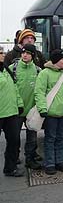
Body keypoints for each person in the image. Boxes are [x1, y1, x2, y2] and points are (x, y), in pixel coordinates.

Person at [35, 49, 63, 175]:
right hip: (51, 113)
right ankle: (49, 163)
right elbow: (39, 92)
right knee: (50, 138)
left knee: (61, 138)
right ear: (56, 61)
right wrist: (42, 108)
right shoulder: (45, 74)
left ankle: (60, 161)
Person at [9, 44, 42, 169]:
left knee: (32, 138)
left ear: (33, 55)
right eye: (23, 53)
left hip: (32, 111)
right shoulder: (12, 69)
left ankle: (30, 159)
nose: (25, 55)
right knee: (14, 137)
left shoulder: (38, 70)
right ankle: (14, 158)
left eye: (28, 53)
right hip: (16, 109)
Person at [0, 46, 25, 177]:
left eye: (2, 52)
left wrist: (19, 104)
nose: (3, 54)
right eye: (0, 53)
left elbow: (15, 88)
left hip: (11, 112)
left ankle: (10, 168)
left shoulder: (6, 70)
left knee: (14, 141)